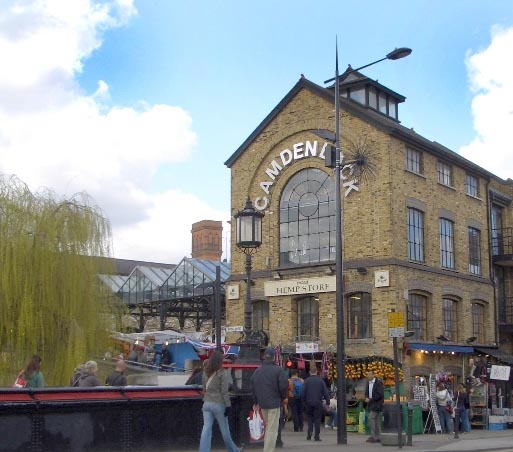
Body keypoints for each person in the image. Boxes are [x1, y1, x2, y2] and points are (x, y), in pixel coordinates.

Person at [198, 350, 241, 452]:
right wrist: (228, 405)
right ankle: (233, 450)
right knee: (225, 430)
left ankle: (203, 450)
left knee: (206, 429)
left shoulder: (205, 371)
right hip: (219, 404)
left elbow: (204, 387)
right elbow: (224, 391)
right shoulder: (222, 373)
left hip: (207, 403)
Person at [250, 347, 288, 452]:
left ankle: (267, 448)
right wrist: (282, 397)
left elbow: (253, 386)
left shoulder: (257, 371)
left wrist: (255, 401)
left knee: (268, 427)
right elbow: (283, 386)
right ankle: (268, 450)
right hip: (274, 402)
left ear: (264, 357)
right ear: (274, 357)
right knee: (272, 429)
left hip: (262, 403)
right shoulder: (278, 370)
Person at [301, 365, 330, 442]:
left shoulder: (306, 381)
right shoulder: (321, 381)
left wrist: (304, 402)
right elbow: (326, 393)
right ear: (317, 372)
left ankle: (309, 432)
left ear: (310, 372)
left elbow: (302, 393)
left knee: (309, 418)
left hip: (308, 403)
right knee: (317, 419)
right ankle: (317, 436)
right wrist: (328, 403)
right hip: (318, 402)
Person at [365, 370, 384, 443]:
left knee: (371, 418)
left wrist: (370, 399)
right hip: (371, 404)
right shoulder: (368, 383)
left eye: (370, 374)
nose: (368, 376)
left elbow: (380, 395)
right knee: (376, 420)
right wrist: (366, 397)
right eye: (368, 374)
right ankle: (378, 436)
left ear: (373, 375)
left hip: (377, 404)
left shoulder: (378, 383)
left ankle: (374, 436)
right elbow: (368, 392)